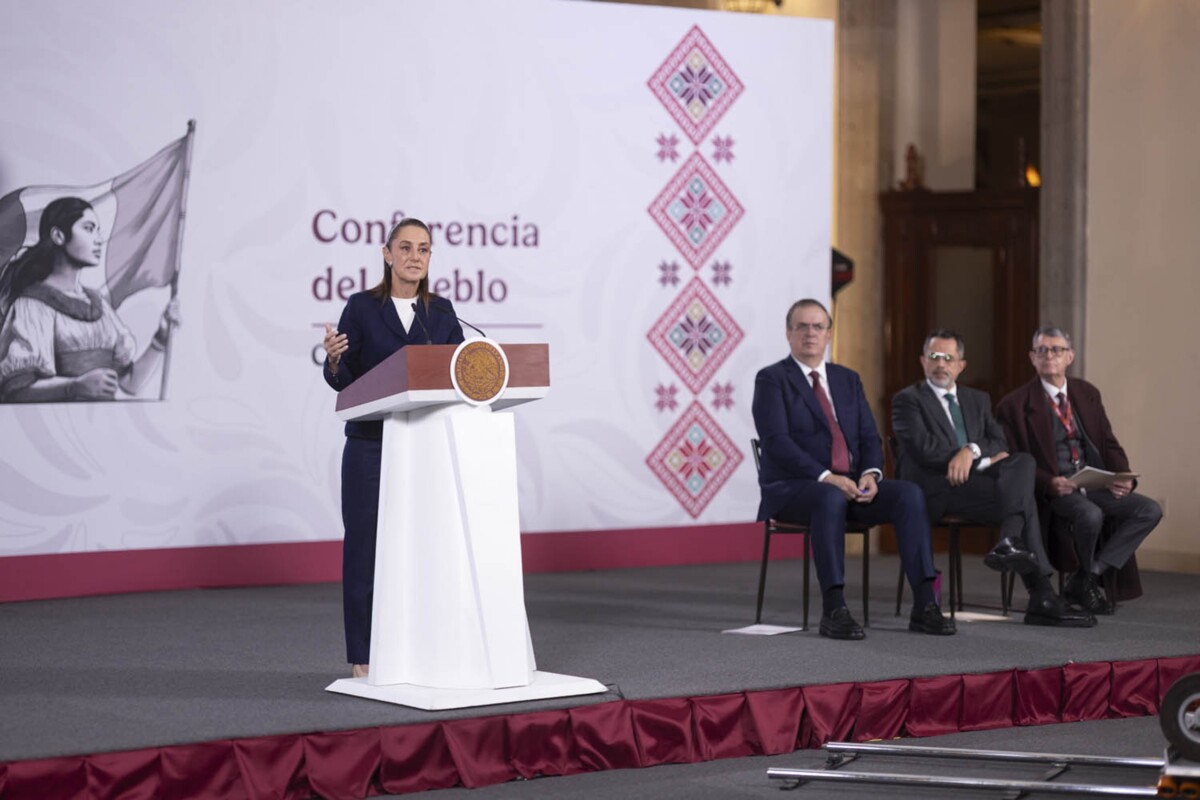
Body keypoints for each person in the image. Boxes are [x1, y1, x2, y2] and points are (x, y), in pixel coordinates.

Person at [751, 299, 954, 640]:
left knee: (908, 494)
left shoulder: (847, 379)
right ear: (788, 333)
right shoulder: (772, 379)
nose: (810, 333)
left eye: (818, 326)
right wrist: (828, 477)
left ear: (829, 334)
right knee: (829, 497)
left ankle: (924, 604)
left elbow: (869, 437)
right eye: (802, 326)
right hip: (795, 488)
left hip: (850, 486)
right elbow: (777, 443)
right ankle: (834, 608)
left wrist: (871, 474)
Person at [322, 217, 465, 677]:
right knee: (365, 549)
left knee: (424, 548)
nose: (414, 256)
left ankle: (422, 649)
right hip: (371, 445)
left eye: (423, 249)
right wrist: (334, 361)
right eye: (405, 247)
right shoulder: (362, 307)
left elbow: (460, 375)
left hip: (425, 448)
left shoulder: (442, 313)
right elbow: (345, 381)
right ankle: (364, 657)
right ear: (387, 254)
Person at [891, 329, 1094, 627]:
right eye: (934, 357)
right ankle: (1040, 594)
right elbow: (924, 450)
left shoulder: (977, 399)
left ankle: (1011, 542)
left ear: (961, 365)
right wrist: (965, 455)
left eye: (949, 358)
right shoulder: (908, 400)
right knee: (1023, 498)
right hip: (938, 488)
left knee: (1023, 462)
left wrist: (971, 450)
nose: (941, 364)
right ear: (923, 361)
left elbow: (1000, 441)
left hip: (977, 485)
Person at [996, 326, 1161, 615]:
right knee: (1090, 514)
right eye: (1042, 350)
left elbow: (1108, 442)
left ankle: (1087, 576)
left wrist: (1122, 476)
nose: (1049, 355)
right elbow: (1012, 461)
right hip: (1054, 490)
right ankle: (1085, 583)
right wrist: (1049, 482)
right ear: (1032, 358)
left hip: (1093, 482)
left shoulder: (1087, 393)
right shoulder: (1014, 405)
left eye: (1056, 350)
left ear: (1069, 356)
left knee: (1149, 510)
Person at [0, 197, 179, 402]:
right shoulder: (32, 306)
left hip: (103, 421)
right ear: (58, 236)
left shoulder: (99, 304)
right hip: (56, 421)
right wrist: (74, 386)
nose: (98, 239)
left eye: (97, 230)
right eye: (88, 228)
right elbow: (17, 390)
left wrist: (160, 339)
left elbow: (130, 383)